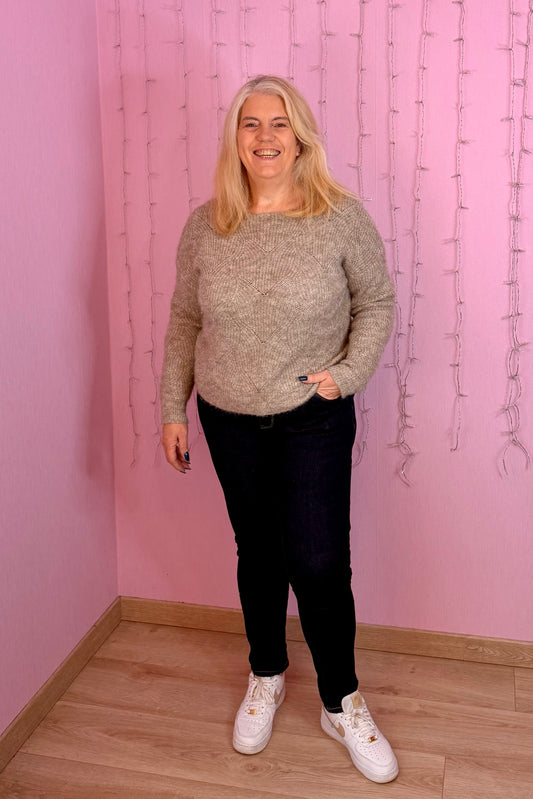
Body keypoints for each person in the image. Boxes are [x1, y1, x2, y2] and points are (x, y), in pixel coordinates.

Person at [161, 75, 398, 784]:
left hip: (311, 418)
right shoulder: (206, 226)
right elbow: (184, 321)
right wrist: (173, 407)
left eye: (279, 123)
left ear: (301, 137)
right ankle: (266, 672)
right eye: (251, 123)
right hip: (227, 419)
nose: (265, 137)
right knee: (258, 554)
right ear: (235, 138)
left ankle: (340, 700)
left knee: (320, 561)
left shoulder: (339, 216)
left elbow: (376, 301)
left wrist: (346, 375)